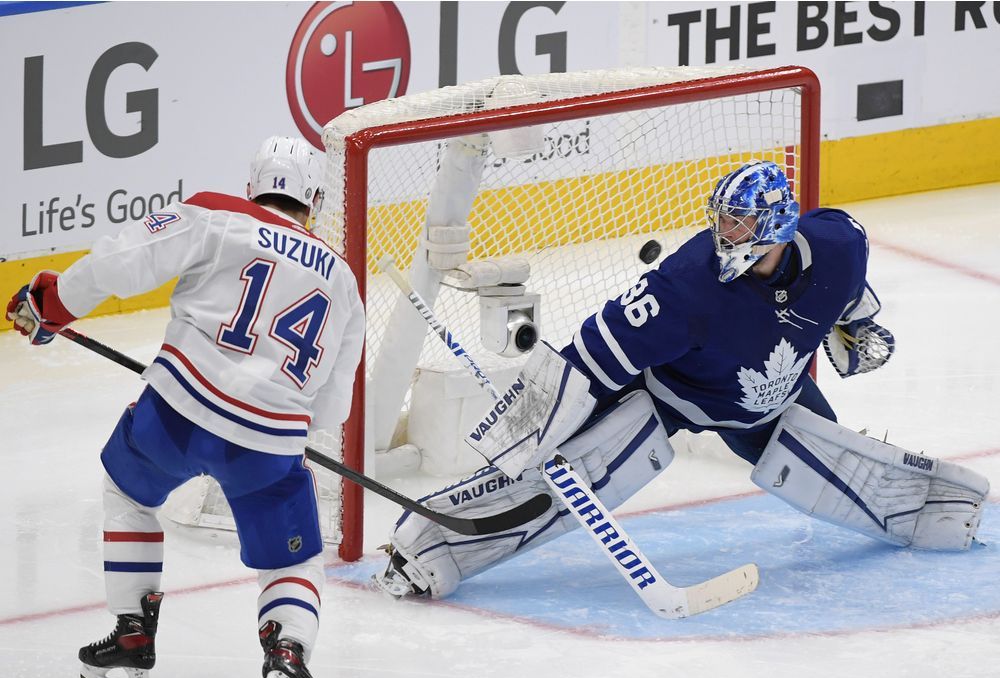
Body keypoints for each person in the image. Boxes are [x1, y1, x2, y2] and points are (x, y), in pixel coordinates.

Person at [370, 159, 988, 602]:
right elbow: (586, 357)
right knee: (560, 476)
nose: (726, 234)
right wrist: (525, 434)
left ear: (776, 228)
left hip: (768, 401)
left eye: (741, 225)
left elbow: (846, 291)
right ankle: (428, 544)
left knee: (842, 465)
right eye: (722, 220)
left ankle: (928, 515)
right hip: (668, 399)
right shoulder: (683, 288)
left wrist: (854, 324)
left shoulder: (839, 244)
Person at [5, 136, 364, 678]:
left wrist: (53, 301)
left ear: (254, 186)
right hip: (269, 441)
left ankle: (131, 639)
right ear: (316, 200)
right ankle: (288, 651)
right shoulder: (345, 283)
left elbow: (122, 261)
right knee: (295, 557)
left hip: (175, 411)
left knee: (127, 490)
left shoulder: (216, 213)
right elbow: (331, 408)